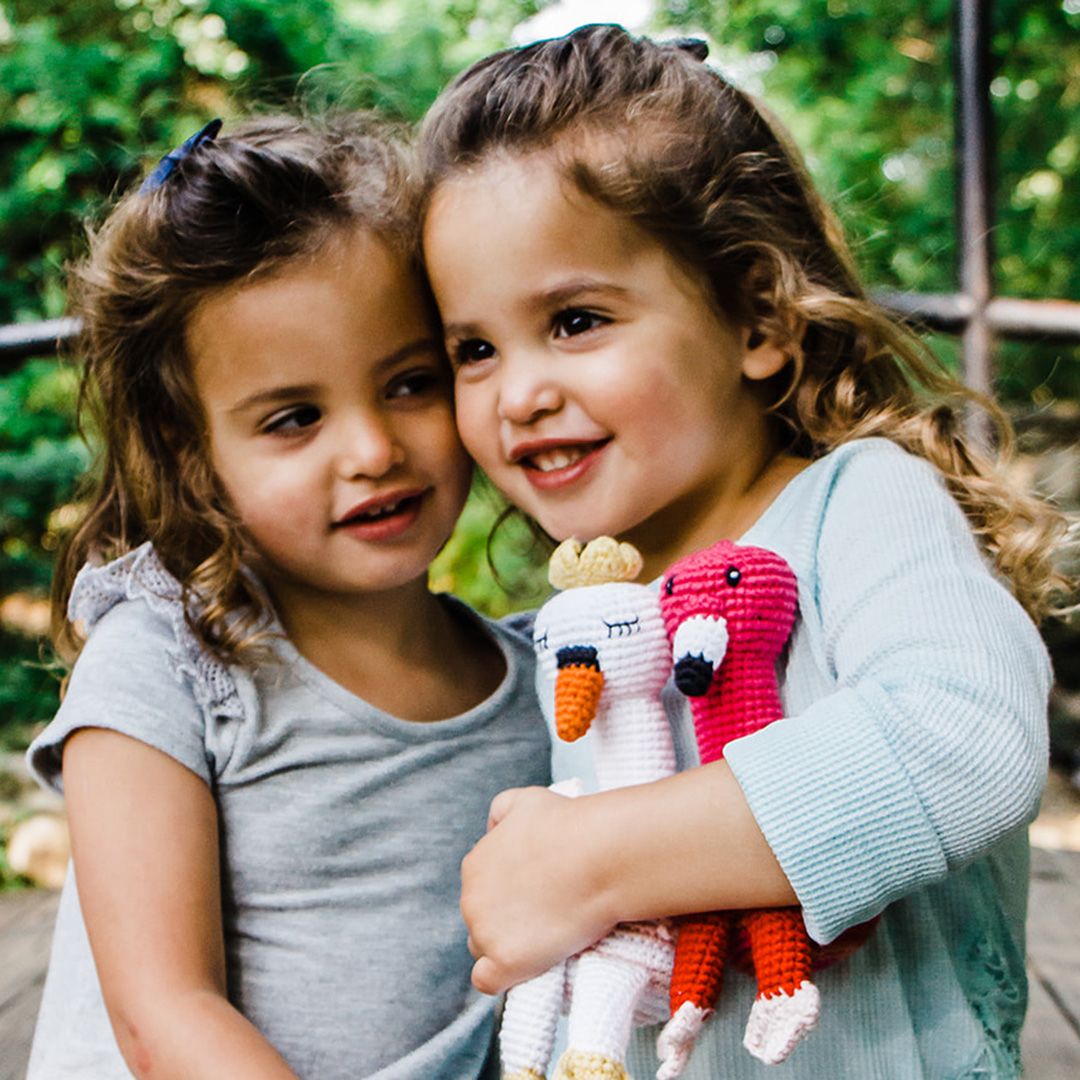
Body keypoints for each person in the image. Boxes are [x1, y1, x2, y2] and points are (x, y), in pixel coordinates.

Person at [417, 25, 1075, 1079]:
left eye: (577, 320)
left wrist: (590, 860)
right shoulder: (595, 612)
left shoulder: (857, 506)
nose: (518, 393)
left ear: (756, 316)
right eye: (473, 350)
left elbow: (964, 734)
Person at [25, 112, 549, 1080]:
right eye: (295, 417)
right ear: (195, 455)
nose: (373, 450)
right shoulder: (171, 664)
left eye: (410, 382)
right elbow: (162, 1015)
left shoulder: (551, 681)